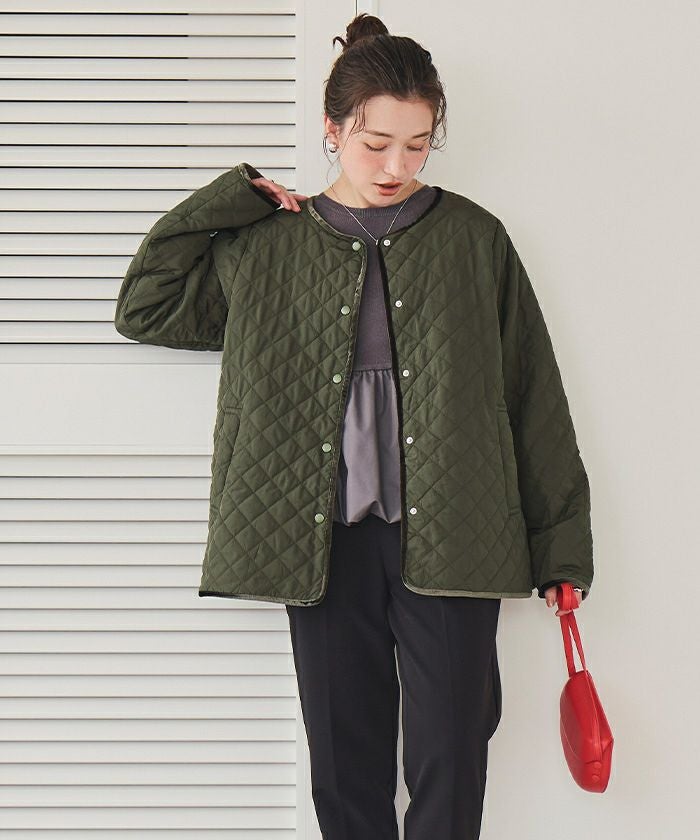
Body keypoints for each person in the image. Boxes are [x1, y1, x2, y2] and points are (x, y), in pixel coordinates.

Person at [113, 13, 593, 839]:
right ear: (332, 129)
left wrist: (561, 549)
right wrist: (233, 198)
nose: (396, 166)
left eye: (418, 145)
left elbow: (532, 395)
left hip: (457, 535)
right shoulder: (267, 246)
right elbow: (145, 308)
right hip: (321, 541)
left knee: (452, 756)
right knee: (344, 768)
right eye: (376, 144)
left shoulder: (474, 239)